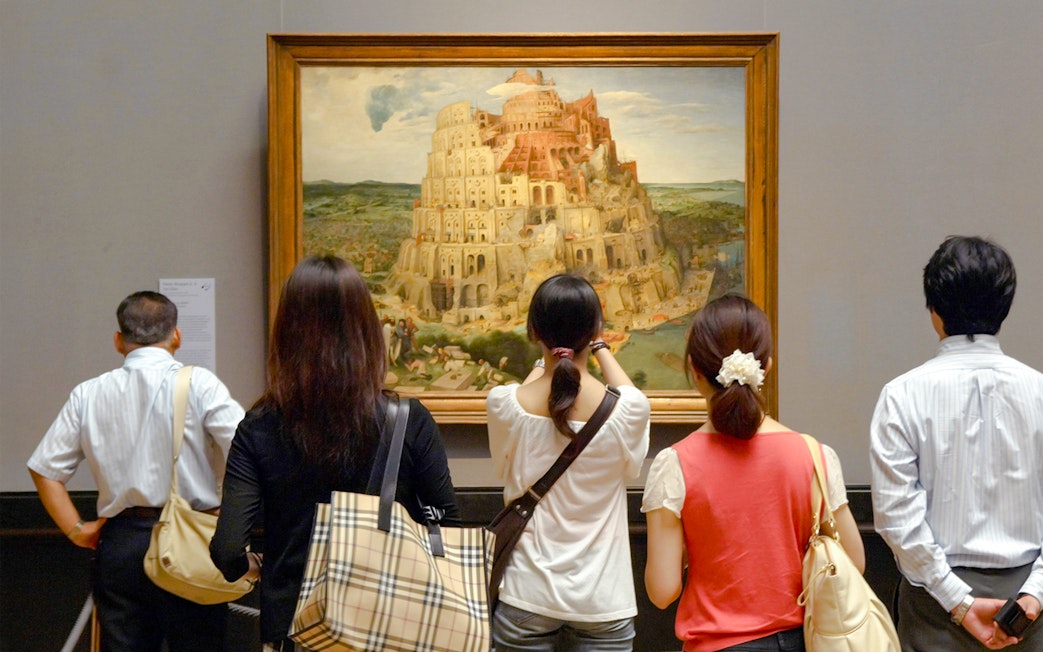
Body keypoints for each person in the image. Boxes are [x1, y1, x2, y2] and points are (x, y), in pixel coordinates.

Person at [210, 255, 461, 652]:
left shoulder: (258, 427)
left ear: (286, 333)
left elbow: (226, 549)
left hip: (294, 626)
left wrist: (252, 567)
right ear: (366, 330)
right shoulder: (408, 420)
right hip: (390, 624)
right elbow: (446, 522)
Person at [642, 294, 864, 652]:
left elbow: (662, 592)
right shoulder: (814, 454)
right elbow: (855, 561)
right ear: (768, 367)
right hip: (801, 643)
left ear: (695, 372)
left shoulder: (674, 464)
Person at [27, 291, 245, 652]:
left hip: (121, 542)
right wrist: (227, 511)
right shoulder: (201, 384)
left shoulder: (88, 393)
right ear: (176, 336)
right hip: (192, 537)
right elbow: (246, 449)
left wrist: (78, 530)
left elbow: (44, 469)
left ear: (118, 341)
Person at [870, 235, 1043, 651]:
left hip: (935, 612)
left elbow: (896, 519)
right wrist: (1033, 596)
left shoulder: (901, 395)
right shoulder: (1040, 393)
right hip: (1029, 614)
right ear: (1005, 306)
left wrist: (958, 602)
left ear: (934, 310)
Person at [486, 273, 651, 651]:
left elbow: (501, 467)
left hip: (527, 592)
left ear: (533, 331)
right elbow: (628, 397)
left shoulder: (505, 404)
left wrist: (547, 363)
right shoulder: (628, 411)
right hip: (603, 599)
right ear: (595, 328)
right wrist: (601, 348)